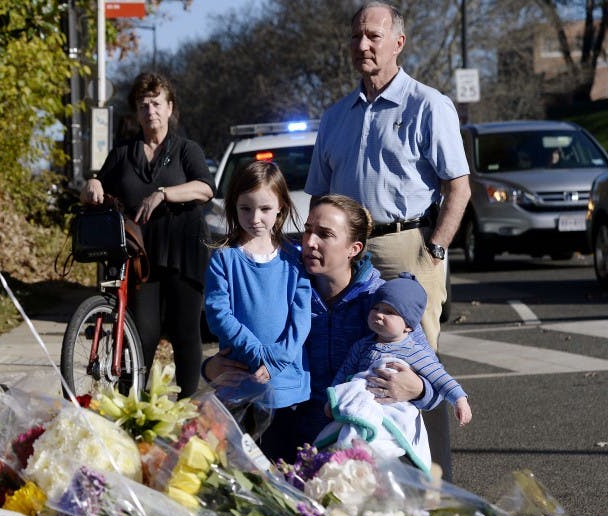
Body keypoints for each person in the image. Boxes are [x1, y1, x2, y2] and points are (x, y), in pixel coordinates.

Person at [303, 1, 471, 477]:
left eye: (374, 36)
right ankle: (358, 474)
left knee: (415, 364)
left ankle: (433, 481)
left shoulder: (428, 104)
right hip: (346, 254)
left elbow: (458, 186)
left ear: (398, 43)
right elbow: (319, 194)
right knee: (355, 358)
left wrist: (434, 249)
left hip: (407, 248)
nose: (363, 45)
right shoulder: (335, 116)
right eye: (357, 36)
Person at [203, 194, 440, 461]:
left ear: (354, 248)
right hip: (290, 436)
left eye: (325, 234)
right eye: (307, 230)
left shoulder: (381, 301)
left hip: (360, 446)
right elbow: (252, 345)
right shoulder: (283, 285)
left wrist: (419, 388)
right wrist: (212, 369)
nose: (309, 242)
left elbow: (433, 381)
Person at [81, 72, 215, 398]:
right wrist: (92, 185)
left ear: (170, 108)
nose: (150, 111)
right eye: (143, 105)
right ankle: (134, 405)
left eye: (156, 103)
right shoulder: (123, 154)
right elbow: (100, 187)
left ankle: (188, 406)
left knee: (185, 333)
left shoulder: (187, 149)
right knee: (143, 333)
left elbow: (205, 188)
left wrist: (164, 193)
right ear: (136, 113)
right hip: (141, 255)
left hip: (184, 249)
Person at [203, 161, 312, 462]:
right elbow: (218, 315)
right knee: (246, 472)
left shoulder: (295, 259)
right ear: (233, 207)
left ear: (281, 207)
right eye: (245, 208)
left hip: (288, 389)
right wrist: (257, 354)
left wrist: (277, 359)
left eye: (265, 208)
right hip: (241, 389)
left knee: (288, 471)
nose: (255, 218)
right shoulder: (223, 259)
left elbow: (301, 319)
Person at [318, 273, 472, 471]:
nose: (379, 314)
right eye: (376, 308)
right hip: (361, 403)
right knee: (343, 435)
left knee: (381, 443)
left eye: (389, 312)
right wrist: (333, 399)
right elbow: (345, 373)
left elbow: (439, 376)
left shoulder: (414, 351)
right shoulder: (362, 346)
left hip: (393, 411)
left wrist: (459, 399)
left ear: (408, 326)